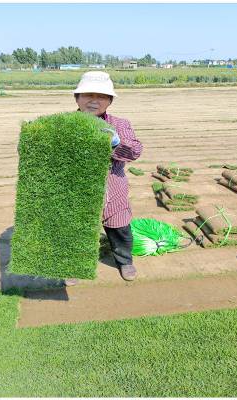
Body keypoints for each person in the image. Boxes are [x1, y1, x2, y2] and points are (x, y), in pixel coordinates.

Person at [68, 71, 142, 284]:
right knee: (77, 230)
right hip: (77, 191)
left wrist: (116, 144)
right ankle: (75, 266)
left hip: (113, 187)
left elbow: (135, 151)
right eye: (88, 95)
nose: (94, 101)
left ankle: (124, 261)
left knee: (119, 229)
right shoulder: (64, 124)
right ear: (77, 98)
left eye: (101, 96)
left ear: (109, 101)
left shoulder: (120, 124)